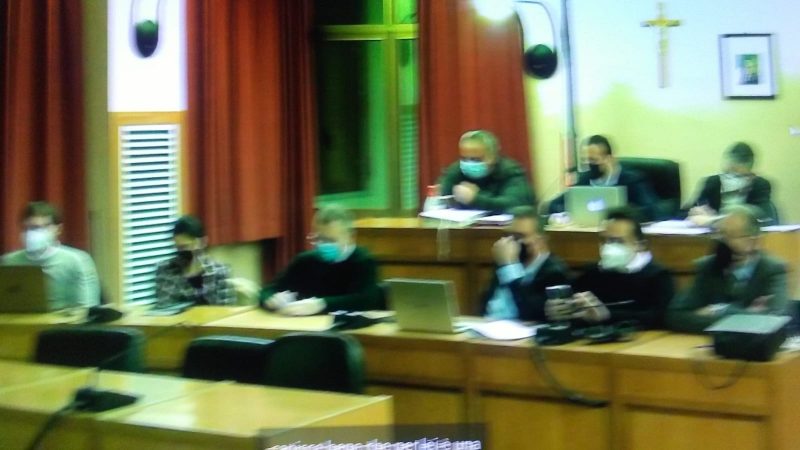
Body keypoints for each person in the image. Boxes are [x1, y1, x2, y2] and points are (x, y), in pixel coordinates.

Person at [544, 208, 674, 329]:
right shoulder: (593, 272)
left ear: (640, 245)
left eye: (617, 241)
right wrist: (558, 309)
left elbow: (660, 317)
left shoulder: (656, 275)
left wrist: (608, 315)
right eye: (604, 240)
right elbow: (572, 306)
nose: (608, 247)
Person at [667, 205, 788, 333]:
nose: (725, 242)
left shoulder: (772, 269)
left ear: (753, 240)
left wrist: (720, 310)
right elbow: (676, 316)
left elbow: (774, 321)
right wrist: (746, 315)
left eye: (733, 236)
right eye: (721, 234)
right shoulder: (709, 266)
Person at [259, 204, 381, 316]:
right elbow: (269, 289)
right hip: (305, 327)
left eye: (331, 240)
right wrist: (271, 299)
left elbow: (366, 300)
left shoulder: (363, 261)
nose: (324, 245)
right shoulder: (305, 261)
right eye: (319, 239)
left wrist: (321, 304)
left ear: (350, 237)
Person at [1, 201, 100, 309]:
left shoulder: (77, 260)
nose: (34, 233)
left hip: (62, 319)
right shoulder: (8, 262)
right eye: (29, 227)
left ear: (58, 229)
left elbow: (87, 309)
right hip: (19, 319)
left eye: (42, 227)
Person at [479, 206, 570, 321]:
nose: (511, 242)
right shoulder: (504, 260)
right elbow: (486, 305)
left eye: (519, 236)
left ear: (540, 241)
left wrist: (509, 266)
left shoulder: (554, 272)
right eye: (508, 235)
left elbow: (530, 313)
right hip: (487, 326)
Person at [548, 135, 661, 221]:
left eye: (593, 160)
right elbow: (553, 205)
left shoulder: (632, 179)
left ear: (609, 159)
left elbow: (651, 210)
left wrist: (622, 214)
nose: (588, 164)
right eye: (584, 160)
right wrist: (572, 213)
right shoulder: (584, 179)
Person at [437, 129, 535, 213]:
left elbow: (516, 204)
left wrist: (476, 199)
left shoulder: (510, 171)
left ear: (492, 157)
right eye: (464, 158)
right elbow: (441, 198)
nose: (469, 163)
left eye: (476, 159)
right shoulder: (456, 170)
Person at [684, 142, 775, 226]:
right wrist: (695, 212)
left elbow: (763, 215)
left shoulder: (760, 185)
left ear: (750, 172)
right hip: (713, 235)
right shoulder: (712, 182)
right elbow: (685, 211)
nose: (731, 178)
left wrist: (713, 220)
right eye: (728, 172)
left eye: (738, 174)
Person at [154, 215, 235, 306]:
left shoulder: (219, 271)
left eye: (185, 246)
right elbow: (165, 307)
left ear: (203, 242)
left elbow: (226, 309)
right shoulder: (166, 270)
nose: (181, 252)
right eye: (178, 247)